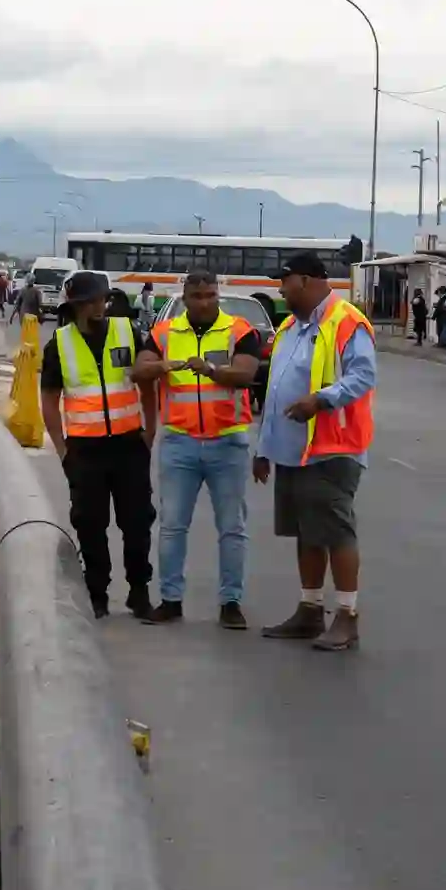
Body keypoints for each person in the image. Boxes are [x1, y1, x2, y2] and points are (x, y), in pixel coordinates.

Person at [255, 252, 377, 652]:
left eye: (285, 281)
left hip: (332, 449)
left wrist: (321, 400)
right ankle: (310, 610)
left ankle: (348, 616)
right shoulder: (291, 326)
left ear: (306, 281)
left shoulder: (346, 322)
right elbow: (274, 389)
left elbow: (362, 376)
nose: (280, 288)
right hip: (292, 450)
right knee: (306, 533)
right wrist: (263, 448)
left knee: (335, 531)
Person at [134, 269, 262, 629]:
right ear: (185, 298)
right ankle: (171, 600)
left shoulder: (240, 331)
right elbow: (138, 370)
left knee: (232, 527)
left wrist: (209, 369)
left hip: (228, 442)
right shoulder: (165, 333)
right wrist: (161, 365)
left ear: (218, 295)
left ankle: (231, 602)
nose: (204, 302)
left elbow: (244, 374)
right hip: (179, 442)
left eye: (210, 295)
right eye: (197, 296)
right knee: (173, 526)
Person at [41, 270, 157, 619]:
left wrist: (150, 432)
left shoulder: (128, 331)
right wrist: (62, 450)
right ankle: (97, 594)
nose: (97, 306)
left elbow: (147, 383)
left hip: (128, 446)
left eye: (101, 299)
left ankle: (139, 592)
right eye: (89, 301)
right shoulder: (58, 344)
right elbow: (49, 399)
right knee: (90, 525)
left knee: (136, 523)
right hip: (85, 450)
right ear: (74, 306)